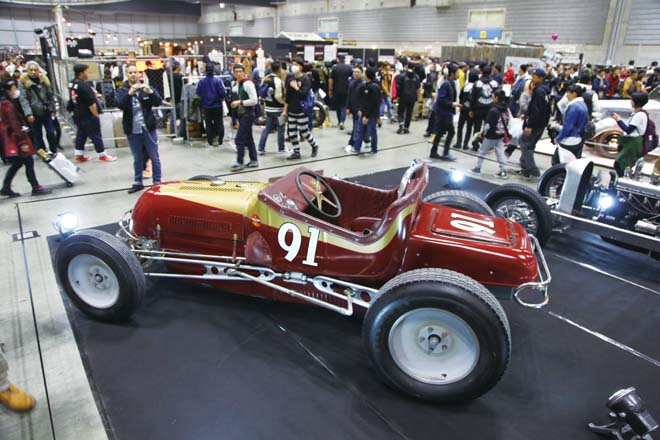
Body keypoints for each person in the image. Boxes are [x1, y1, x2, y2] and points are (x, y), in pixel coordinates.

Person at [115, 65, 163, 193]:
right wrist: (129, 95)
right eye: (130, 72)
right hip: (133, 131)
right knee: (137, 158)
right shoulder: (122, 91)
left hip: (148, 129)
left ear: (139, 74)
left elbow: (158, 102)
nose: (133, 75)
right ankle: (138, 182)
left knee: (154, 156)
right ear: (126, 74)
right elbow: (119, 104)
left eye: (135, 72)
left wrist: (150, 93)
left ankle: (157, 182)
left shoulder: (146, 88)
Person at [0, 79, 51, 197]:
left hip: (12, 137)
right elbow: (14, 123)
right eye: (13, 88)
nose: (15, 90)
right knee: (28, 160)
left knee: (18, 163)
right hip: (17, 138)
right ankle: (35, 187)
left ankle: (6, 187)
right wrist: (22, 141)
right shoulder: (8, 105)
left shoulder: (4, 103)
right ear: (8, 90)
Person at [69, 64, 116, 162]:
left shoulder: (72, 83)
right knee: (95, 134)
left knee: (81, 133)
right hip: (87, 115)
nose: (88, 74)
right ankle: (102, 155)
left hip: (77, 113)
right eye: (86, 71)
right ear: (81, 73)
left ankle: (79, 154)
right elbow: (91, 103)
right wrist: (96, 115)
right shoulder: (84, 86)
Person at [18, 61, 59, 153]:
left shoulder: (44, 80)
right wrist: (28, 114)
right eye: (31, 70)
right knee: (38, 134)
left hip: (46, 111)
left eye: (35, 70)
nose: (33, 72)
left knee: (51, 132)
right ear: (27, 70)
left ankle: (54, 150)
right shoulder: (23, 82)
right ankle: (42, 151)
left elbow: (50, 95)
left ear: (38, 70)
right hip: (34, 112)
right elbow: (23, 99)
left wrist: (53, 109)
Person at [517, 68, 551, 179]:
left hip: (535, 125)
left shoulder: (539, 91)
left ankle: (532, 171)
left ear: (541, 78)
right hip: (540, 124)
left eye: (535, 76)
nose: (533, 78)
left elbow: (537, 110)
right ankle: (525, 169)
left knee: (525, 145)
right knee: (528, 145)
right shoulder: (545, 90)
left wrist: (529, 125)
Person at [469, 89, 510, 179]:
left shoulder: (493, 110)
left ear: (496, 97)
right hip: (501, 134)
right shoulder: (506, 108)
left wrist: (483, 134)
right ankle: (503, 171)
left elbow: (488, 125)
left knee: (482, 152)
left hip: (491, 135)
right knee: (500, 153)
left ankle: (477, 168)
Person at [283, 59, 319, 160]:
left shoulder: (306, 79)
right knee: (292, 132)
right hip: (292, 109)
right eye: (292, 64)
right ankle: (296, 152)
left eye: (296, 65)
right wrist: (285, 110)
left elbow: (303, 94)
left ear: (301, 67)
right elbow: (288, 96)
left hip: (302, 109)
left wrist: (296, 87)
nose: (293, 66)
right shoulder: (290, 78)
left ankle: (314, 145)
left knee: (304, 131)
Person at [229, 64, 259, 171]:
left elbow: (255, 100)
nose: (238, 74)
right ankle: (254, 160)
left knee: (239, 139)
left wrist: (239, 102)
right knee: (248, 138)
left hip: (248, 114)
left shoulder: (248, 84)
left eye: (240, 71)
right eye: (236, 72)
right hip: (242, 115)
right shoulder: (237, 84)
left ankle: (240, 162)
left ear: (244, 72)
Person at [550, 84, 589, 165]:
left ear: (574, 93)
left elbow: (568, 127)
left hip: (568, 141)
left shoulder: (574, 107)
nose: (566, 95)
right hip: (577, 139)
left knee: (556, 164)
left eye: (568, 93)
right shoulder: (583, 105)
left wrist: (558, 138)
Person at [612, 92, 649, 176]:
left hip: (633, 143)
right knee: (622, 164)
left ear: (635, 102)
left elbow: (628, 130)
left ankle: (621, 181)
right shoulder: (637, 113)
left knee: (620, 164)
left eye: (632, 100)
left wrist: (618, 120)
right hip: (631, 142)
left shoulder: (640, 115)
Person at [429, 64, 460, 161]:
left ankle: (433, 152)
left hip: (445, 113)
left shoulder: (451, 83)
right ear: (452, 73)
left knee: (439, 132)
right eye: (457, 72)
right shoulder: (446, 84)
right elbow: (441, 99)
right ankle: (445, 153)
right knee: (451, 132)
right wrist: (452, 104)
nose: (458, 74)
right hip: (444, 114)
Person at [258, 61, 286, 155]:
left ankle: (261, 148)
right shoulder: (278, 81)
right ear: (279, 69)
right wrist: (285, 103)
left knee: (267, 128)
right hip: (278, 109)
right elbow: (278, 96)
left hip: (268, 108)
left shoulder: (266, 78)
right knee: (281, 128)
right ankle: (281, 148)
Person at [350, 67, 381, 154]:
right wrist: (361, 110)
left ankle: (374, 149)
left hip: (370, 115)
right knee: (359, 130)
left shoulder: (374, 87)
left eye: (364, 73)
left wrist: (367, 116)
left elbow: (374, 103)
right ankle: (357, 148)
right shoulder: (364, 85)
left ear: (367, 75)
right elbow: (364, 100)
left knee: (372, 132)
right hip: (363, 113)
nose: (363, 74)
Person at [196, 62, 227, 148]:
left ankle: (210, 142)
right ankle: (220, 142)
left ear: (205, 70)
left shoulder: (201, 81)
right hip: (217, 105)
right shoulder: (218, 81)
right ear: (213, 70)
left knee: (208, 124)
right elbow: (223, 93)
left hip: (206, 106)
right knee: (220, 123)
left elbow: (198, 92)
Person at [469, 65, 499, 150]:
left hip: (478, 108)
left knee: (477, 127)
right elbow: (498, 96)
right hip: (490, 109)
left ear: (482, 72)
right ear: (490, 73)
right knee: (489, 127)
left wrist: (471, 109)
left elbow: (472, 97)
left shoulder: (477, 83)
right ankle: (487, 145)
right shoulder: (494, 83)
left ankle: (475, 144)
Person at [454, 70, 479, 150]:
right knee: (469, 127)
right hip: (471, 110)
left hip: (464, 108)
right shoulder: (477, 87)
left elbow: (461, 96)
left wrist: (461, 104)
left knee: (460, 126)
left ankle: (458, 142)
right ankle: (465, 144)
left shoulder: (466, 86)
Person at [395, 62, 420, 134]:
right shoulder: (416, 76)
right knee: (409, 112)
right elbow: (418, 87)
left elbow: (398, 87)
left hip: (403, 96)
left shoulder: (402, 75)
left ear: (407, 66)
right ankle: (406, 127)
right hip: (412, 97)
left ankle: (401, 124)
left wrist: (398, 95)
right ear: (414, 68)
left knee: (400, 111)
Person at [344, 66, 365, 152]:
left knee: (356, 127)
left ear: (362, 73)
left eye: (358, 72)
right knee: (357, 126)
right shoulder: (351, 83)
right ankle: (364, 140)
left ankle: (352, 143)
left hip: (359, 110)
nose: (356, 74)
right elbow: (349, 96)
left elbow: (364, 99)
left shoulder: (363, 84)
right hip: (352, 108)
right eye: (354, 72)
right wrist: (348, 107)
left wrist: (361, 109)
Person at [329, 55, 352, 129]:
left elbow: (331, 79)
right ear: (344, 60)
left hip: (336, 89)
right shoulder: (349, 68)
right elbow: (352, 79)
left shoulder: (334, 67)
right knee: (344, 106)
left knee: (338, 107)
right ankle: (342, 121)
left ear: (338, 59)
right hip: (346, 90)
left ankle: (339, 121)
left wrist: (330, 89)